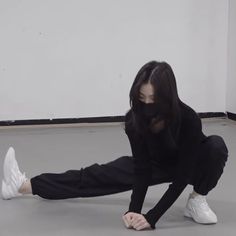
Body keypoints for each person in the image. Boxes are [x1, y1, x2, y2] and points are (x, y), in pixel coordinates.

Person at [1, 61, 228, 231]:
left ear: (167, 96)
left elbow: (183, 174)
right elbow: (142, 169)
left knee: (216, 146)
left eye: (154, 98)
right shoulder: (135, 119)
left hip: (191, 165)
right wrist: (134, 210)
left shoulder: (188, 118)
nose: (147, 104)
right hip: (154, 164)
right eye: (142, 97)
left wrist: (152, 217)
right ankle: (22, 185)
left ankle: (196, 199)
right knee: (94, 176)